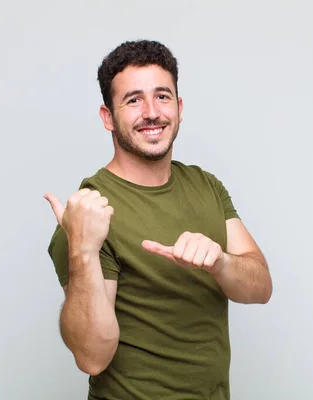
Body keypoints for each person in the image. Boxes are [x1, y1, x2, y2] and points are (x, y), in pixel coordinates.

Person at [44, 40, 273, 400]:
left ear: (179, 108)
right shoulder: (90, 210)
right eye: (133, 100)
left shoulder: (206, 185)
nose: (152, 112)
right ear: (108, 117)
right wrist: (82, 251)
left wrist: (221, 263)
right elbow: (91, 357)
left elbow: (260, 288)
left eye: (163, 96)